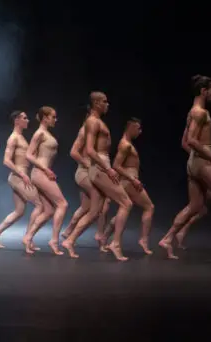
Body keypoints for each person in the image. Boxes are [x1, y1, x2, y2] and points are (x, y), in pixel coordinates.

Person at [159, 75, 211, 262]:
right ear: (203, 91)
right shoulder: (199, 112)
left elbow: (184, 142)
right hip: (202, 161)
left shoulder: (192, 112)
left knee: (195, 205)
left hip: (195, 161)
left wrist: (195, 160)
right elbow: (191, 141)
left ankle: (167, 238)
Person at [64, 92, 133, 261]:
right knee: (126, 203)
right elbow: (88, 150)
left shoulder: (97, 122)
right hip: (100, 165)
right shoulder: (93, 122)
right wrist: (107, 169)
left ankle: (70, 239)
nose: (107, 104)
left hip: (100, 165)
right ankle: (115, 244)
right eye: (104, 101)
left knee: (95, 211)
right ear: (96, 103)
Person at [98, 118, 154, 255]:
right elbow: (116, 165)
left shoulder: (127, 144)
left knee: (123, 210)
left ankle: (105, 237)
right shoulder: (125, 145)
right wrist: (132, 179)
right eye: (138, 129)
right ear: (131, 128)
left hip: (128, 180)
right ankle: (143, 239)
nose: (140, 132)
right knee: (149, 207)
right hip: (129, 181)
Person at [0, 111, 43, 250]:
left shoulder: (20, 137)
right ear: (16, 120)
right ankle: (28, 238)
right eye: (25, 118)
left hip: (20, 176)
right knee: (39, 205)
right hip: (18, 177)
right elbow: (6, 160)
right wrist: (22, 174)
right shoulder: (13, 138)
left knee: (19, 211)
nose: (28, 120)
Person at [23, 106, 68, 255]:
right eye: (53, 117)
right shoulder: (39, 133)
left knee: (48, 210)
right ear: (45, 118)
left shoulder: (45, 134)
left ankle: (28, 236)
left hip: (42, 173)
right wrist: (46, 169)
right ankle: (54, 240)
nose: (56, 119)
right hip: (40, 173)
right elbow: (29, 155)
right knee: (63, 204)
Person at [174, 115, 211, 249]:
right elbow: (186, 142)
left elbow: (185, 143)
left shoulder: (195, 124)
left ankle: (178, 233)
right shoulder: (197, 121)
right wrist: (200, 155)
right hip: (202, 167)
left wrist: (195, 155)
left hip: (198, 165)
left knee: (201, 208)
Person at [59, 116, 105, 258]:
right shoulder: (85, 130)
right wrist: (87, 164)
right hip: (84, 173)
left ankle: (67, 232)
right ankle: (70, 239)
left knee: (85, 207)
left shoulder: (91, 131)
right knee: (95, 209)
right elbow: (73, 152)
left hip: (85, 173)